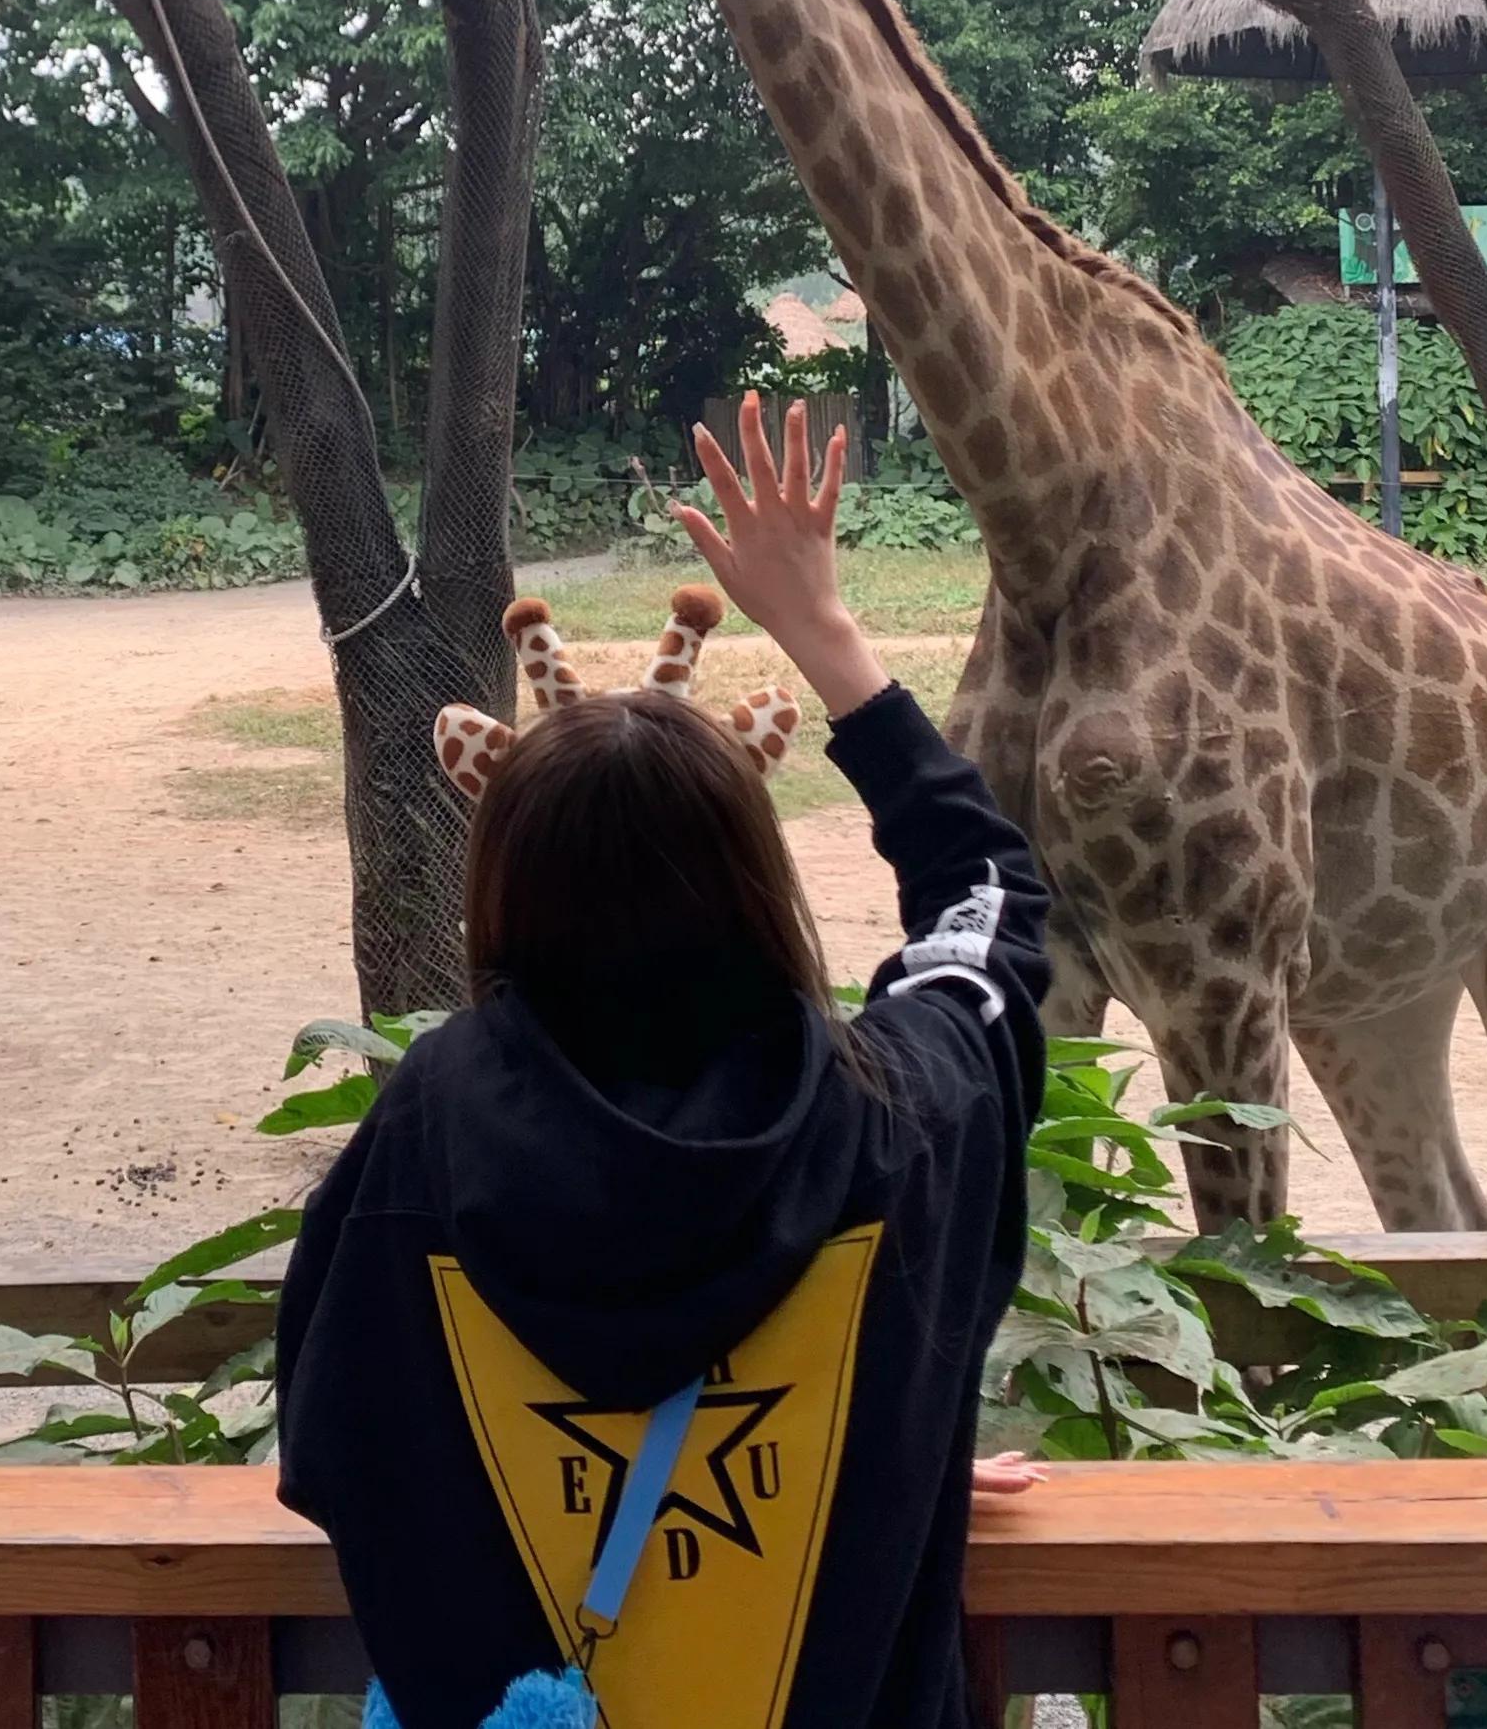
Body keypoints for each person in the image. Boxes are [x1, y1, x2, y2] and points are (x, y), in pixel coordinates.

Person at [277, 394, 1052, 1729]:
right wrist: (869, 1426)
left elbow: (342, 1439)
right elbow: (989, 894)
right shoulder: (904, 1114)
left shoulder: (429, 1126)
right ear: (755, 878)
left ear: (503, 890)